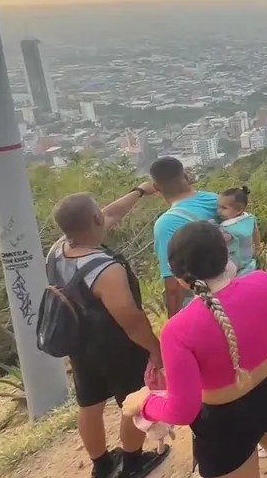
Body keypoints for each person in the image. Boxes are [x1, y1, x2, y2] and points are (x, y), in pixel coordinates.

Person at [123, 221, 267, 478]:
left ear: (180, 278)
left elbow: (182, 410)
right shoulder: (262, 282)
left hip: (224, 420)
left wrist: (143, 403)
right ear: (226, 256)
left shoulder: (176, 331)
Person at [48, 186, 171, 478]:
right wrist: (155, 349)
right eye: (98, 210)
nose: (104, 213)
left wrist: (138, 192)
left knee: (90, 404)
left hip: (80, 344)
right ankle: (131, 463)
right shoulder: (105, 269)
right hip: (118, 348)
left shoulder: (57, 251)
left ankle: (102, 465)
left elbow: (111, 213)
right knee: (134, 399)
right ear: (95, 219)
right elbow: (131, 320)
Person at [150, 156, 220, 316]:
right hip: (235, 286)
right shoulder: (217, 200)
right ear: (186, 177)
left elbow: (173, 284)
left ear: (156, 187)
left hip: (205, 306)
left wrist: (173, 321)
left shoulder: (166, 223)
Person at [217, 186, 261, 276]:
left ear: (239, 209)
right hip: (249, 262)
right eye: (218, 207)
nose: (219, 211)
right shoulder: (250, 218)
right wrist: (257, 246)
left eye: (224, 208)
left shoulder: (227, 229)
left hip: (234, 268)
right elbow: (255, 231)